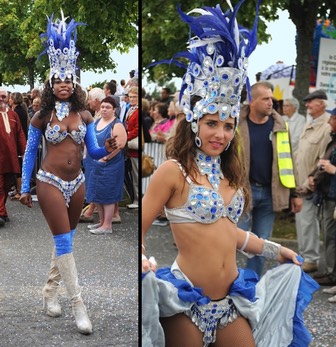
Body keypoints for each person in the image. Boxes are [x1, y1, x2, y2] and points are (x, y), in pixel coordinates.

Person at [142, 2, 318, 347]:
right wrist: (142, 261)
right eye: (211, 123)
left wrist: (273, 249)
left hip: (230, 302)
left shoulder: (230, 173)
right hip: (186, 302)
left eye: (227, 125)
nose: (219, 134)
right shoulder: (173, 171)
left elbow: (229, 233)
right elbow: (142, 229)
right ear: (194, 123)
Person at [19, 12, 116, 335]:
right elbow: (32, 151)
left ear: (73, 83)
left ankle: (49, 292)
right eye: (57, 80)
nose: (62, 84)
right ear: (50, 83)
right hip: (48, 182)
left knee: (67, 241)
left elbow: (94, 151)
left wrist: (111, 147)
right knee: (64, 242)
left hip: (78, 184)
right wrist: (24, 186)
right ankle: (78, 305)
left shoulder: (85, 115)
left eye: (67, 80)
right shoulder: (40, 116)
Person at [238, 81, 302, 276]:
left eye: (271, 99)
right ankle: (225, 283)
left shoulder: (280, 125)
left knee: (262, 242)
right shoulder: (236, 124)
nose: (271, 103)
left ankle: (251, 285)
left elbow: (289, 160)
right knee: (233, 240)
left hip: (269, 192)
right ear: (252, 101)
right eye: (265, 99)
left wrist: (295, 193)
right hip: (242, 191)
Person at [295, 89, 331, 273]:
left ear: (322, 104)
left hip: (313, 184)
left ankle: (311, 258)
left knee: (310, 222)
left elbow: (324, 158)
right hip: (301, 182)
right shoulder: (309, 124)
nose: (307, 105)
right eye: (307, 102)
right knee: (302, 220)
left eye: (311, 102)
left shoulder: (326, 127)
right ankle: (304, 255)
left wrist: (311, 181)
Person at [86, 96, 127, 234]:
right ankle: (101, 222)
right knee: (96, 193)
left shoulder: (117, 124)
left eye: (108, 107)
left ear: (114, 110)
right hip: (94, 163)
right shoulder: (97, 122)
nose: (104, 109)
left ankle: (107, 225)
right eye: (102, 107)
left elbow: (119, 145)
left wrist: (106, 159)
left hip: (110, 165)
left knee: (108, 194)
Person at [306, 107, 336, 288]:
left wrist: (333, 169)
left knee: (332, 237)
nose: (328, 121)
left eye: (332, 118)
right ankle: (330, 272)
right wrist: (313, 175)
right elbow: (324, 161)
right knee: (329, 236)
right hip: (327, 195)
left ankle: (333, 275)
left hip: (334, 197)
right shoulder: (332, 140)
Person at [0, 87, 26, 227]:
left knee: (7, 185)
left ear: (8, 98)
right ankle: (1, 213)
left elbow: (20, 134)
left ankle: (2, 211)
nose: (1, 99)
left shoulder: (13, 115)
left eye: (3, 96)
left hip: (10, 159)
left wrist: (25, 151)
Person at [79, 87, 106, 223]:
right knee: (93, 181)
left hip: (98, 153)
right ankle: (94, 210)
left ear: (96, 100)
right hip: (91, 153)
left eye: (89, 99)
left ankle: (91, 211)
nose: (88, 102)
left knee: (96, 182)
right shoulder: (95, 114)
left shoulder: (103, 114)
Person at [125, 86, 139, 209]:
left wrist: (126, 137)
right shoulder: (131, 109)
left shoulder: (138, 111)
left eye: (135, 96)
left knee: (137, 175)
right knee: (134, 174)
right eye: (130, 97)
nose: (132, 99)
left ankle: (138, 200)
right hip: (130, 146)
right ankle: (135, 198)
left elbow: (137, 129)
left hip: (135, 146)